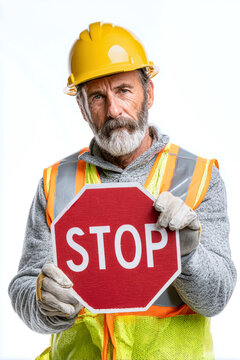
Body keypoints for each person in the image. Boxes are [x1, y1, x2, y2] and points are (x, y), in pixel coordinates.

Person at [9, 21, 237, 360]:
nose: (114, 110)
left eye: (124, 90)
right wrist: (44, 302)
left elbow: (215, 299)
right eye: (97, 97)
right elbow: (25, 286)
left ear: (150, 93)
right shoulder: (56, 185)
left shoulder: (198, 178)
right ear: (82, 107)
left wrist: (187, 255)